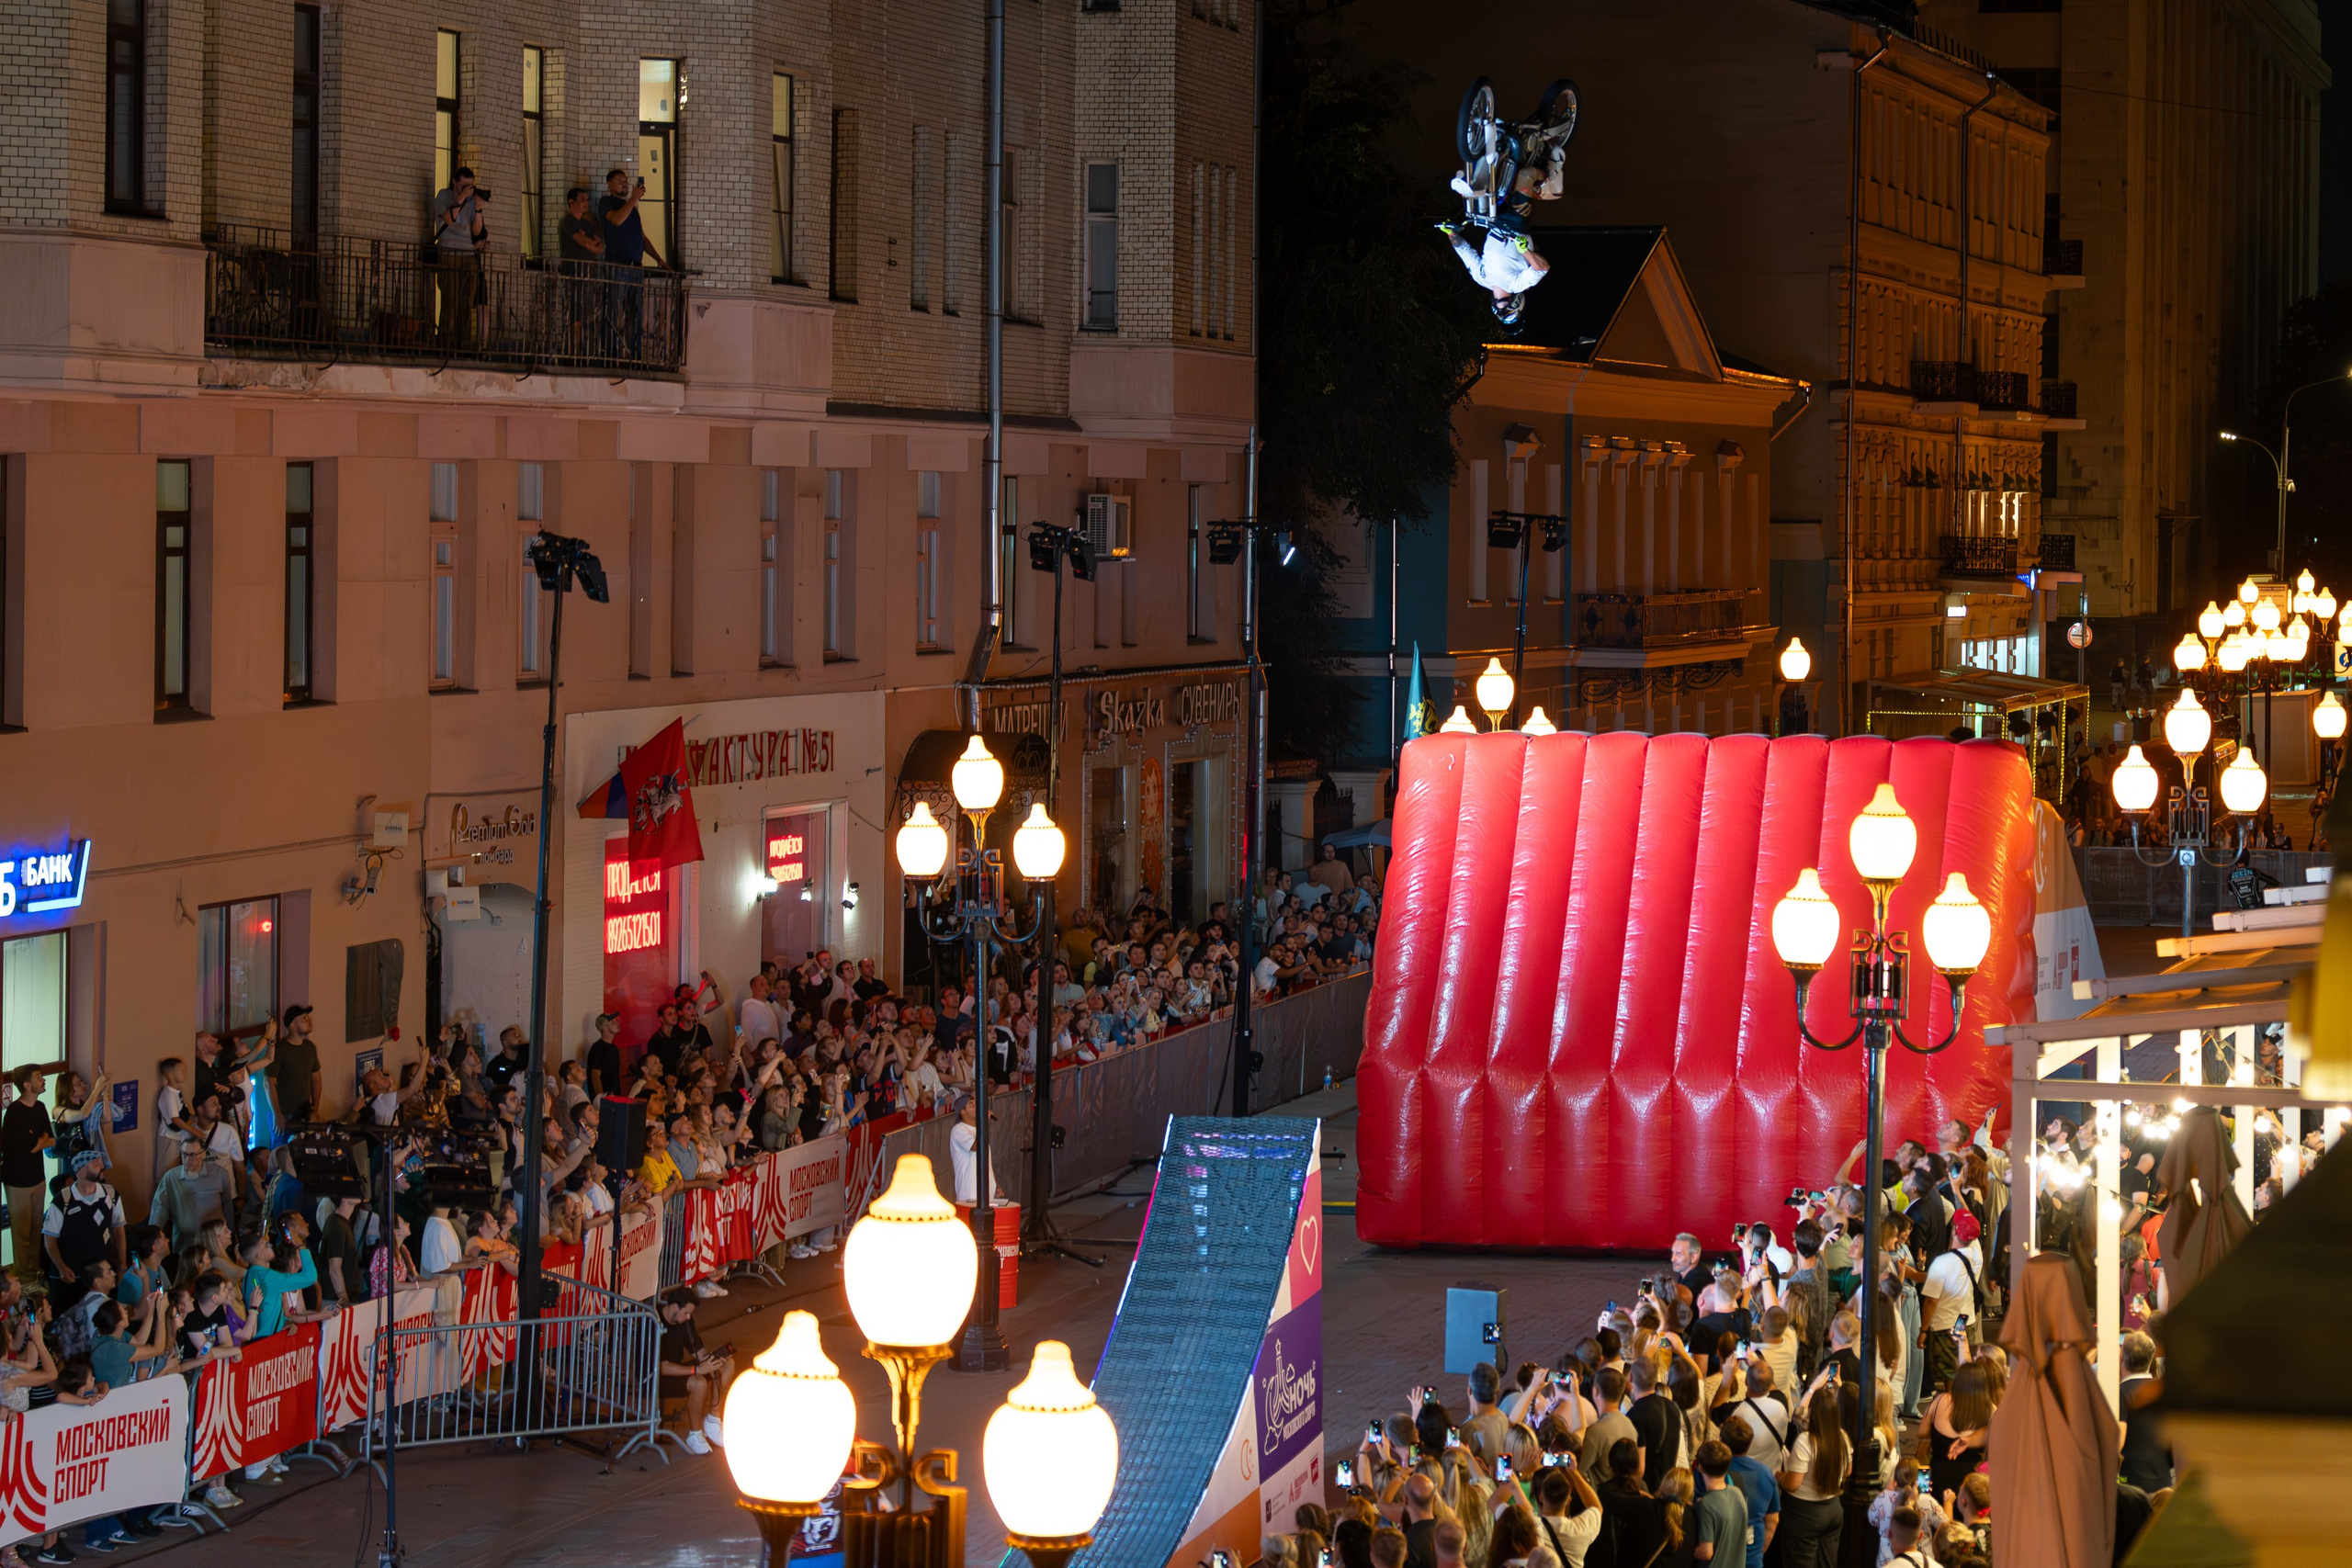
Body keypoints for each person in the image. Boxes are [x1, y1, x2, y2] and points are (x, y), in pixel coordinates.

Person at [1772, 1385, 1846, 1568]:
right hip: (1834, 1510)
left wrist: (1780, 1477)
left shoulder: (1806, 1441)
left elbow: (1794, 1483)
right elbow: (1849, 1471)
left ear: (1813, 1412)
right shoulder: (1843, 1438)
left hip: (1804, 1514)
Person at [657, 1286, 731, 1455]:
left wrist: (713, 1360)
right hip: (655, 1377)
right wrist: (697, 1369)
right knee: (698, 1382)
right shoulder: (654, 1321)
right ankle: (695, 1433)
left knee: (728, 1364)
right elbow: (661, 1366)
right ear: (675, 1307)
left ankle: (713, 1419)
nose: (688, 1317)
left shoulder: (685, 1320)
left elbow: (698, 1350)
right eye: (686, 1313)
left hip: (676, 1370)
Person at [598, 167, 662, 357]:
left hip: (636, 268)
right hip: (618, 266)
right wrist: (634, 198)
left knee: (635, 313)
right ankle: (609, 351)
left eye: (626, 181)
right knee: (613, 310)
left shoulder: (633, 210)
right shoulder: (607, 203)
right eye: (620, 181)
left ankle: (635, 352)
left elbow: (642, 239)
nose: (625, 184)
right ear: (609, 185)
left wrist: (659, 259)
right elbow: (616, 220)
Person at [42, 1150, 124, 1292]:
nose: (102, 1166)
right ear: (82, 1170)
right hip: (71, 1276)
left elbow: (119, 1232)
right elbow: (49, 1239)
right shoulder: (62, 1200)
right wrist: (61, 1267)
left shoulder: (111, 1195)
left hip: (100, 1276)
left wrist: (122, 1266)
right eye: (96, 1163)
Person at [430, 164, 490, 349]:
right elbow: (449, 219)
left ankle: (463, 343)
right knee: (451, 297)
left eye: (469, 186)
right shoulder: (444, 196)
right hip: (449, 252)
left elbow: (476, 230)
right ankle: (446, 342)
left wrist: (478, 209)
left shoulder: (472, 202)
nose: (466, 189)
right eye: (463, 185)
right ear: (455, 182)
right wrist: (461, 198)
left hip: (467, 255)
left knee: (466, 299)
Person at [2, 1066, 52, 1278]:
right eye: (37, 1077)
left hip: (37, 1178)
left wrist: (40, 1140)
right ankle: (22, 1278)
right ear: (27, 1085)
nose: (43, 1080)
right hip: (18, 1181)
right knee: (21, 1233)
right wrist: (40, 1140)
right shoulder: (15, 1112)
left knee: (35, 1230)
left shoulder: (40, 1107)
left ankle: (35, 1273)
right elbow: (30, 1145)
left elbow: (51, 1139)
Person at [1718, 1416, 1778, 1568]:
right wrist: (1758, 1553)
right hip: (1751, 1555)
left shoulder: (1711, 1470)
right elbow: (1773, 1521)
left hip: (1718, 1555)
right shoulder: (1765, 1473)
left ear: (1721, 1440)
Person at [1688, 1440, 1745, 1565]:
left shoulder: (1706, 1505)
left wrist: (1685, 1551)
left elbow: (1706, 1553)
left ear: (1700, 1467)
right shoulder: (1737, 1494)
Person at [274, 1004, 324, 1129]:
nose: (309, 1021)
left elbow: (316, 1078)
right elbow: (268, 1082)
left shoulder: (310, 1047)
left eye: (308, 1018)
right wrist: (278, 1115)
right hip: (285, 1114)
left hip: (305, 1113)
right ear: (293, 1024)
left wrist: (315, 1108)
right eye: (304, 1019)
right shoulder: (280, 1049)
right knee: (283, 1147)